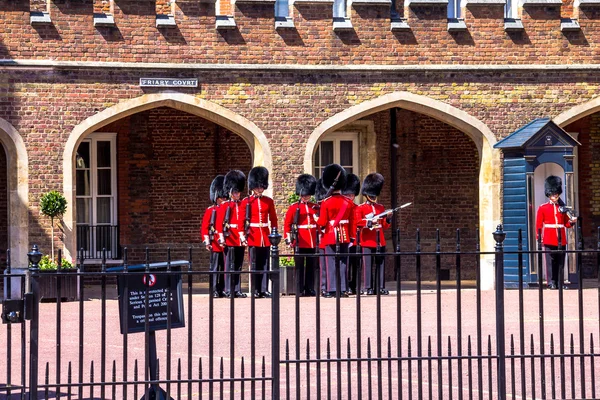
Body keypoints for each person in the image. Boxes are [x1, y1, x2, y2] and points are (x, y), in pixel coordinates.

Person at [240, 166, 278, 298]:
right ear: (253, 186)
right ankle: (255, 289)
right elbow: (242, 220)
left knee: (265, 264)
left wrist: (274, 234)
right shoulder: (246, 202)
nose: (260, 189)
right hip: (253, 235)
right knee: (254, 264)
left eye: (261, 187)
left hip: (265, 235)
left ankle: (264, 289)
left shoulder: (268, 201)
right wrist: (242, 235)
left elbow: (273, 218)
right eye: (257, 187)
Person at [316, 163, 353, 298]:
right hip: (344, 234)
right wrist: (352, 236)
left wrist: (316, 218)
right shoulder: (348, 202)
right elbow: (352, 222)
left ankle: (331, 289)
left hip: (331, 234)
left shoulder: (326, 202)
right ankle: (343, 288)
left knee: (330, 261)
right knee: (343, 261)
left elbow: (322, 222)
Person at [535, 175, 577, 290]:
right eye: (553, 194)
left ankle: (560, 282)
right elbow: (538, 224)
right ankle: (551, 282)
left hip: (561, 238)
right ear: (549, 194)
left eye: (556, 193)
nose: (555, 196)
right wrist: (539, 238)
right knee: (549, 262)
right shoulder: (543, 208)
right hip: (548, 237)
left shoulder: (562, 208)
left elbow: (566, 224)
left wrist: (572, 221)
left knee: (560, 262)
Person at [355, 173, 391, 295]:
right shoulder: (360, 208)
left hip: (379, 239)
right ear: (366, 195)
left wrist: (388, 218)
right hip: (367, 239)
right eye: (371, 195)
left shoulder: (380, 208)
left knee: (380, 264)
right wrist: (369, 222)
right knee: (368, 265)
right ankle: (368, 287)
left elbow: (385, 225)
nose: (373, 197)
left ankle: (380, 286)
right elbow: (358, 222)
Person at [284, 174, 318, 296]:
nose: (306, 197)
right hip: (300, 239)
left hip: (312, 240)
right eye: (304, 195)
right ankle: (299, 288)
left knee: (311, 265)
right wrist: (288, 239)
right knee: (299, 266)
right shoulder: (294, 207)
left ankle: (310, 288)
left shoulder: (314, 206)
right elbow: (287, 224)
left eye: (308, 194)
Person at [217, 170, 248, 298]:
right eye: (235, 192)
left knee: (238, 265)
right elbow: (219, 223)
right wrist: (221, 237)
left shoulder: (242, 205)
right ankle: (228, 289)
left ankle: (237, 289)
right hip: (229, 237)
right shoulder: (225, 206)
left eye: (238, 192)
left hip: (239, 238)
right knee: (228, 265)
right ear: (230, 192)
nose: (237, 194)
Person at [201, 175, 228, 298]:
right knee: (215, 268)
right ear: (217, 197)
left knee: (224, 269)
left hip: (226, 242)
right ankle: (213, 290)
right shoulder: (211, 210)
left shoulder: (228, 208)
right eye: (222, 197)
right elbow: (205, 228)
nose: (224, 199)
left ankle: (221, 288)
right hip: (215, 243)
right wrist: (207, 242)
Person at [343, 173, 361, 295]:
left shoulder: (357, 208)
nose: (350, 197)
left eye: (352, 195)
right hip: (345, 238)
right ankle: (346, 285)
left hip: (355, 240)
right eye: (348, 195)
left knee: (355, 264)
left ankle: (354, 285)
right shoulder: (343, 208)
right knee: (346, 265)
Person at [314, 178, 329, 296]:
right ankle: (323, 287)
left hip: (327, 238)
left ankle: (329, 287)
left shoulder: (327, 205)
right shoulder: (316, 207)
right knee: (322, 267)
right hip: (320, 240)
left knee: (328, 266)